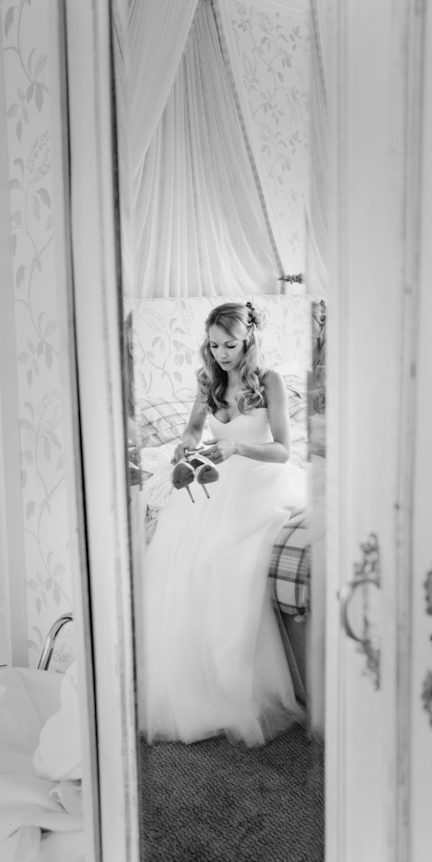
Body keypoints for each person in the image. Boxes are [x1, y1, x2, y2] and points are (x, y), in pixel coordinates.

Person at [137, 302, 306, 746]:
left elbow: (284, 450)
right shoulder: (207, 379)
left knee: (229, 556)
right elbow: (194, 428)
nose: (222, 353)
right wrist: (186, 446)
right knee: (182, 556)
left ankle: (238, 686)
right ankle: (198, 685)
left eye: (229, 344)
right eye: (213, 345)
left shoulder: (268, 381)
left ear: (248, 339)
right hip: (220, 477)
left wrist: (235, 450)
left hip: (260, 477)